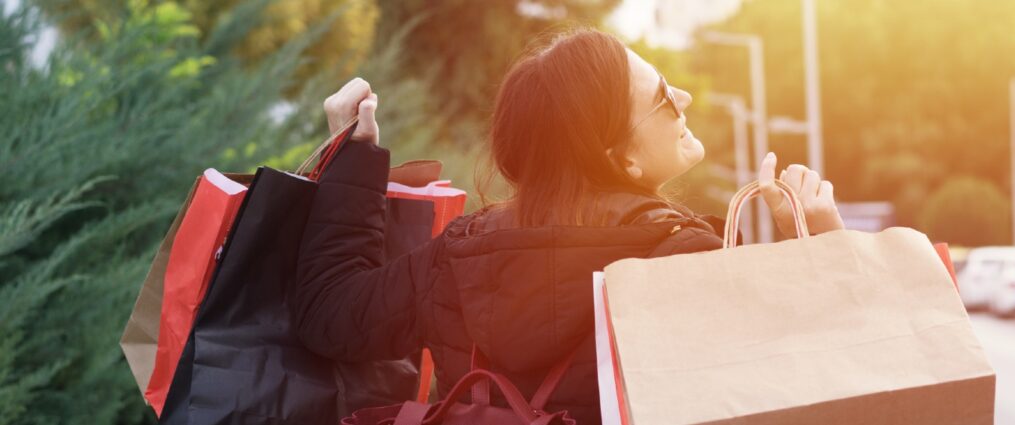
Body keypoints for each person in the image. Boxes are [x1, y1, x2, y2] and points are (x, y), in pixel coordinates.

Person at [291, 28, 844, 424]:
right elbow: (814, 385)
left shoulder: (462, 255)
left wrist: (353, 159)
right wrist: (826, 244)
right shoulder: (684, 262)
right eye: (662, 97)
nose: (685, 98)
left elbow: (331, 314)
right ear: (621, 159)